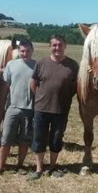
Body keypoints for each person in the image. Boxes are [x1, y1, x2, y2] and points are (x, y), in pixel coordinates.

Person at [28, 35, 79, 180]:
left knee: (56, 139)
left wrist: (66, 97)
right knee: (39, 138)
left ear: (65, 46)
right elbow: (33, 82)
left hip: (61, 109)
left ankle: (52, 167)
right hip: (41, 108)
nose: (57, 48)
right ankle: (38, 169)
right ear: (50, 46)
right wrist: (39, 97)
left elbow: (76, 86)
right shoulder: (42, 62)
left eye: (60, 45)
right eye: (54, 45)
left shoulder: (73, 65)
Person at [0, 39, 36, 176]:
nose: (24, 53)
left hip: (29, 109)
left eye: (27, 51)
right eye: (22, 51)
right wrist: (3, 105)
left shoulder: (37, 66)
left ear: (32, 51)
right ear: (18, 51)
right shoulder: (11, 65)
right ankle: (0, 167)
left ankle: (20, 165)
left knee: (24, 140)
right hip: (12, 108)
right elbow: (5, 86)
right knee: (5, 139)